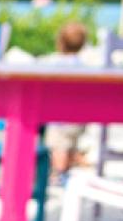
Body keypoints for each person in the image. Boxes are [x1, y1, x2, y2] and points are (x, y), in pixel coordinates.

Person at [38, 20, 93, 181]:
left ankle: (59, 174)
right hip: (78, 119)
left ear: (60, 42)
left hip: (59, 119)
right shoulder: (83, 67)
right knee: (70, 145)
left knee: (59, 148)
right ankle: (70, 167)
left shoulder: (55, 64)